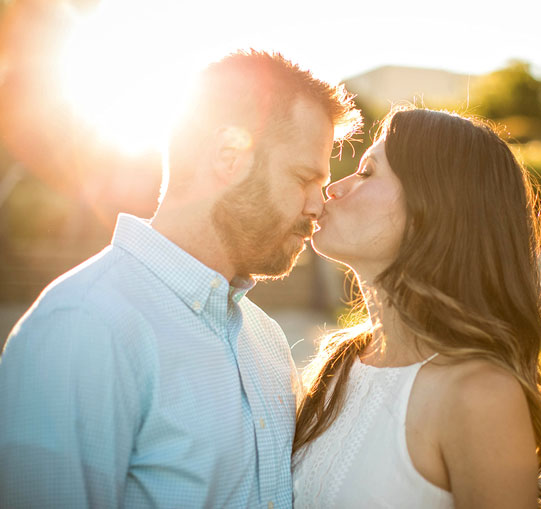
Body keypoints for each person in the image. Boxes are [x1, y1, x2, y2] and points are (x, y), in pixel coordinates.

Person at [0, 50, 361, 508]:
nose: (317, 207)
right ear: (230, 157)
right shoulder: (81, 328)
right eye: (304, 177)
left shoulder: (266, 340)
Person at [292, 107, 541, 508]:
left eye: (367, 172)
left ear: (434, 208)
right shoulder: (340, 362)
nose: (333, 189)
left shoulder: (479, 395)